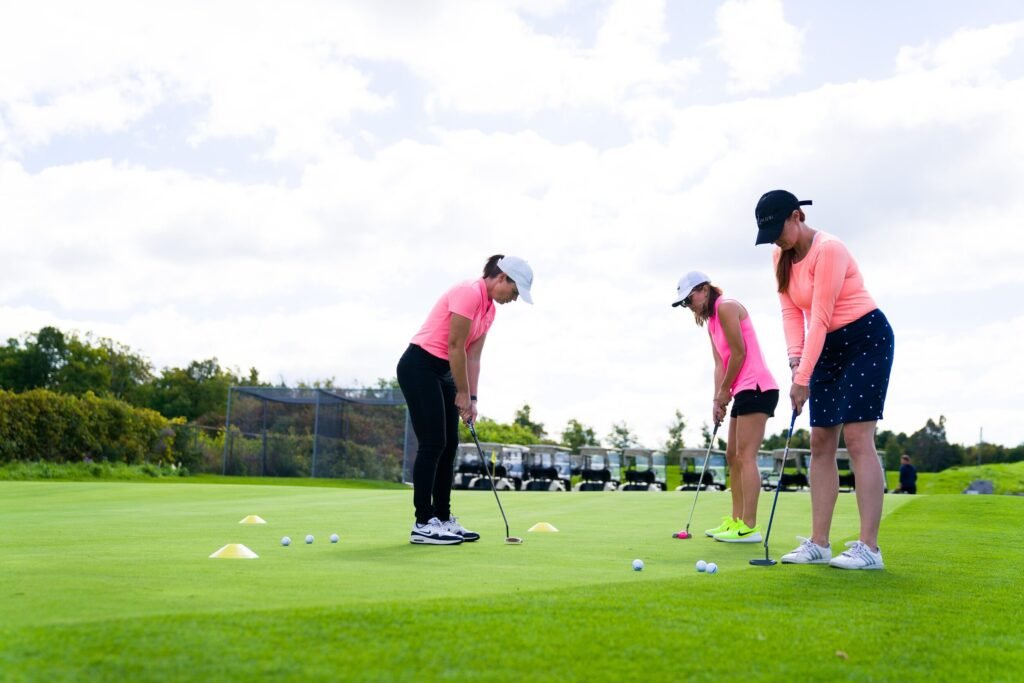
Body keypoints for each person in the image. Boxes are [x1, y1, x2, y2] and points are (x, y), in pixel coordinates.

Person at [754, 189, 894, 570]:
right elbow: (790, 312)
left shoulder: (829, 249)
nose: (776, 240)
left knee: (858, 437)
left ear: (797, 216)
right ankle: (819, 543)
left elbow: (820, 315)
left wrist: (803, 379)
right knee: (820, 441)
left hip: (865, 339)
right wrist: (795, 361)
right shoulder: (779, 255)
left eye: (778, 230)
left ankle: (870, 549)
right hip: (826, 348)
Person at [397, 255, 534, 545]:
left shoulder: (489, 310)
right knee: (433, 442)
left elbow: (473, 356)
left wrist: (471, 398)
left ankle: (443, 519)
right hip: (419, 366)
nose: (514, 298)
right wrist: (459, 391)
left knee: (450, 446)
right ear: (502, 278)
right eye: (515, 290)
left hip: (444, 372)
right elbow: (455, 345)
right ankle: (423, 523)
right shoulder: (469, 292)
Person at [672, 271, 779, 544]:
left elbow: (740, 352)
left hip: (757, 386)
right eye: (684, 303)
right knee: (732, 455)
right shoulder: (711, 323)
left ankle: (750, 527)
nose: (689, 305)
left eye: (690, 298)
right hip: (741, 388)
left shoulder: (728, 307)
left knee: (746, 455)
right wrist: (716, 400)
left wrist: (724, 392)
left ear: (705, 289)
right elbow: (720, 363)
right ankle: (736, 521)